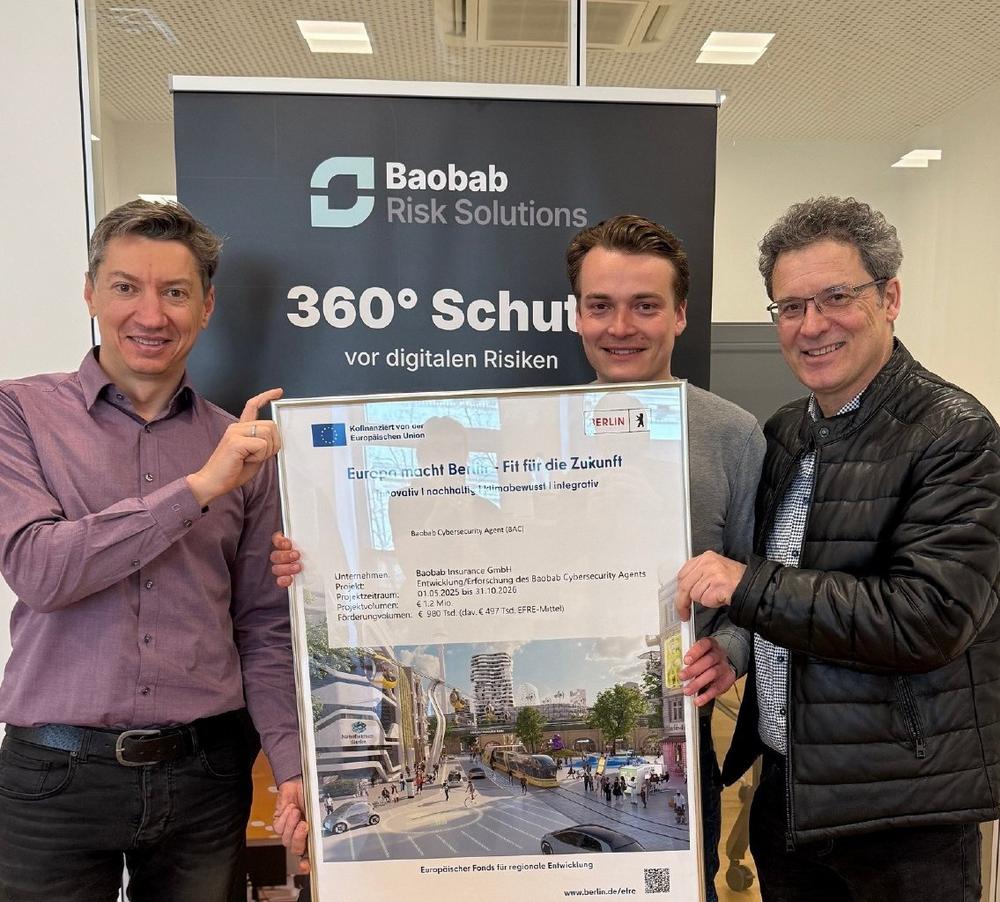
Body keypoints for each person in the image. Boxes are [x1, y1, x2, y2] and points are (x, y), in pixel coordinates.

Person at [270, 214, 763, 897]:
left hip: (685, 718)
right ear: (576, 315)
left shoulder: (733, 437)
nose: (621, 326)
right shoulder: (529, 432)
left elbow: (762, 587)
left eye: (645, 305)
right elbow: (433, 576)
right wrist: (318, 570)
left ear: (680, 314)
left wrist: (730, 650)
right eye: (601, 306)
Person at [677, 196, 1000, 901]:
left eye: (836, 297)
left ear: (890, 297)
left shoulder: (956, 433)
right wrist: (735, 651)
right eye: (791, 307)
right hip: (790, 797)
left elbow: (931, 617)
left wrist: (747, 585)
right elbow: (788, 607)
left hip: (903, 814)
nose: (812, 324)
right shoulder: (785, 433)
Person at [0, 200, 306, 901]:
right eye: (125, 287)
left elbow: (262, 627)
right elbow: (39, 569)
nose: (151, 314)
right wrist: (198, 488)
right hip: (53, 777)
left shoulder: (241, 445)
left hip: (205, 777)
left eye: (174, 292)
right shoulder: (18, 413)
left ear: (206, 307)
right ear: (90, 293)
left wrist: (292, 763)